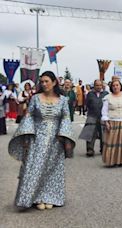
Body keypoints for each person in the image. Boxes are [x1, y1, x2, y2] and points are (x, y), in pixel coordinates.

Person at [8, 71, 75, 210]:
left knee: (53, 168)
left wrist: (64, 135)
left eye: (46, 81)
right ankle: (34, 197)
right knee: (35, 167)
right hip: (37, 138)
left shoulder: (63, 100)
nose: (44, 84)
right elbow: (29, 116)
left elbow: (65, 118)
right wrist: (26, 136)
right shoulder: (35, 98)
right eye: (42, 82)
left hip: (56, 139)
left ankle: (51, 196)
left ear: (54, 82)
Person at [101, 80, 122, 167]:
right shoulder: (107, 98)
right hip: (113, 122)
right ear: (111, 87)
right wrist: (106, 122)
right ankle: (111, 161)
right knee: (112, 142)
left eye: (117, 85)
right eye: (114, 85)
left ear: (120, 86)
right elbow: (104, 112)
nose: (115, 87)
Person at [79, 80, 109, 157]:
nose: (98, 87)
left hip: (103, 116)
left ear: (102, 86)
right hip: (92, 115)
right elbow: (87, 103)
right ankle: (90, 150)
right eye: (97, 85)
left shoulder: (106, 94)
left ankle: (103, 149)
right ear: (94, 86)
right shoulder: (90, 94)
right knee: (90, 133)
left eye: (100, 85)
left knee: (103, 133)